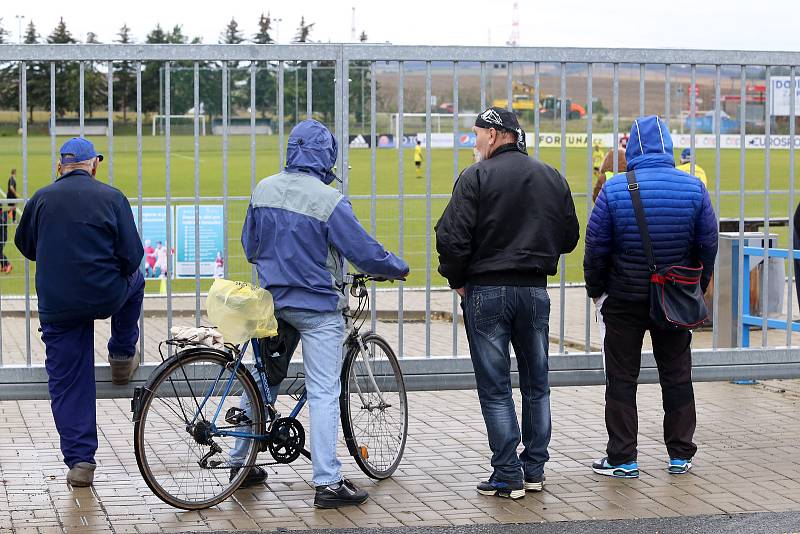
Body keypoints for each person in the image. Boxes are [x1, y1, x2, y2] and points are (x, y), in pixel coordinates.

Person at [241, 119, 409, 508]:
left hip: (272, 303)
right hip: (317, 307)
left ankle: (240, 462)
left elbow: (251, 247)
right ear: (326, 155)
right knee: (323, 391)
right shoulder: (328, 198)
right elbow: (363, 251)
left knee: (258, 381)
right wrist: (396, 267)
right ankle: (328, 481)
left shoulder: (263, 189)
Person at [435, 107, 579, 500]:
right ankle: (534, 469)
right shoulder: (551, 175)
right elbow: (569, 237)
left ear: (496, 135)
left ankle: (506, 473)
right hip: (534, 290)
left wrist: (458, 280)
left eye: (477, 134)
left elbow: (452, 237)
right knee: (537, 385)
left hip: (486, 291)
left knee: (496, 388)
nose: (474, 142)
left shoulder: (475, 177)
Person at [584, 116, 718, 479]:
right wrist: (696, 284)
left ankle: (623, 458)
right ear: (669, 147)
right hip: (674, 296)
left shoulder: (614, 190)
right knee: (676, 374)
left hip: (624, 300)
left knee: (622, 377)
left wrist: (597, 290)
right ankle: (679, 453)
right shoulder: (694, 188)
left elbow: (595, 248)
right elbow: (708, 244)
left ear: (633, 149)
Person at [14, 137, 144, 487]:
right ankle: (121, 353)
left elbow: (24, 246)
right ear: (94, 165)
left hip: (58, 303)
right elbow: (132, 257)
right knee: (138, 280)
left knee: (69, 381)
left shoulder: (40, 198)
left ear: (60, 167)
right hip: (105, 295)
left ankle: (81, 461)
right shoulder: (112, 197)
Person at [0, 209, 10, 273]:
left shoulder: (2, 217)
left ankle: (8, 265)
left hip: (2, 236)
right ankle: (4, 266)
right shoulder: (2, 215)